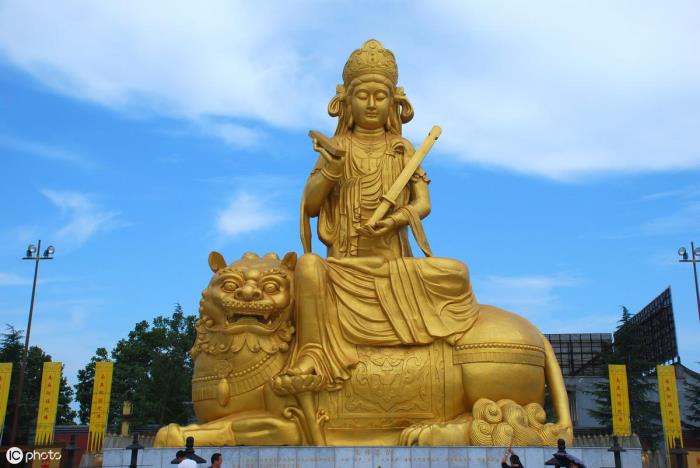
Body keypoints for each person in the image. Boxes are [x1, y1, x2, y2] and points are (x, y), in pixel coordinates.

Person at [277, 39, 479, 390]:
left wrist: (396, 220)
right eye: (362, 96)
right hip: (344, 267)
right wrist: (331, 169)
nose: (371, 104)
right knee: (307, 267)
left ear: (393, 103)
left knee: (457, 272)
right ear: (347, 102)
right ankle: (313, 354)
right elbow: (310, 206)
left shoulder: (402, 149)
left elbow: (423, 203)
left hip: (393, 268)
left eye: (380, 96)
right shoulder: (338, 148)